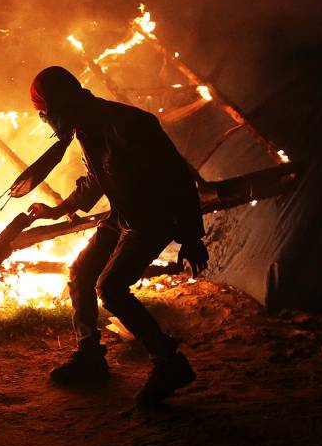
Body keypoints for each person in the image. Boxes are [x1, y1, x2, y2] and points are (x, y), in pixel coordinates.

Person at [25, 66, 208, 407]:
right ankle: (90, 357)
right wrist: (56, 209)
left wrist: (191, 237)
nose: (47, 123)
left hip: (153, 218)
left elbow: (178, 180)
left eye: (45, 114)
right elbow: (95, 181)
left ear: (58, 105)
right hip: (122, 216)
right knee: (81, 273)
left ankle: (169, 363)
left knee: (110, 288)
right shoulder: (87, 128)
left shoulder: (129, 124)